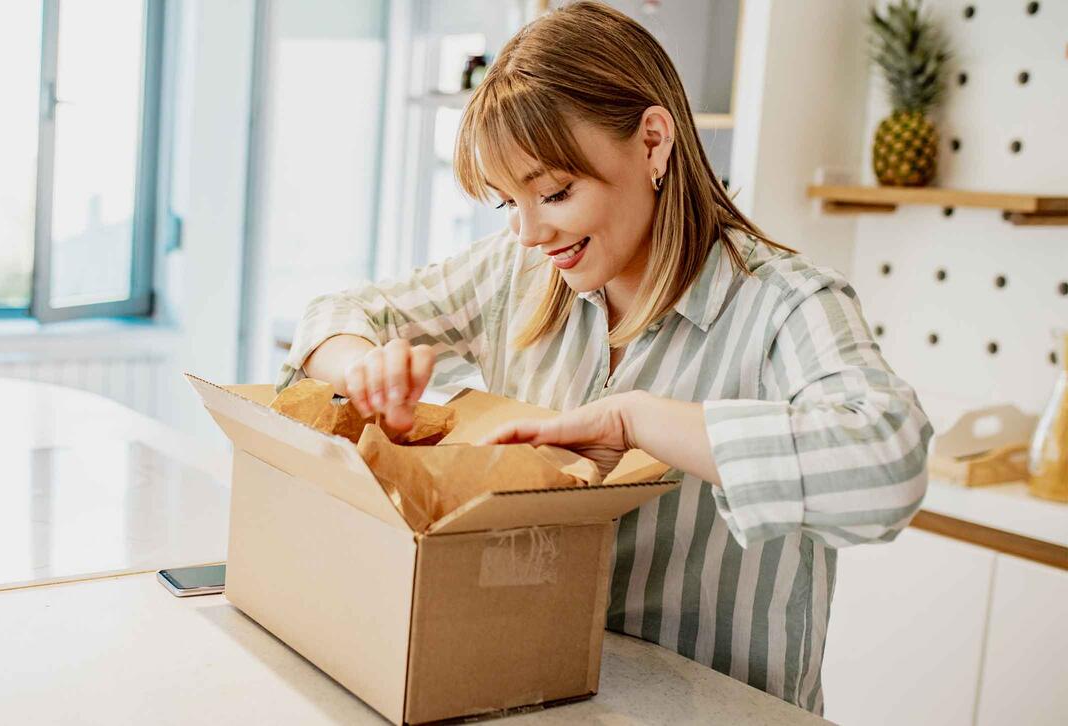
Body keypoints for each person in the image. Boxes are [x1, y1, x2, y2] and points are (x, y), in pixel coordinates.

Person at [277, 1, 932, 715]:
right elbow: (336, 316)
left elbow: (888, 465)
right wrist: (361, 365)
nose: (529, 232)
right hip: (534, 696)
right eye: (507, 203)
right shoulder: (523, 271)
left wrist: (638, 420)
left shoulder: (783, 304)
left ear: (653, 143)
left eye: (556, 192)